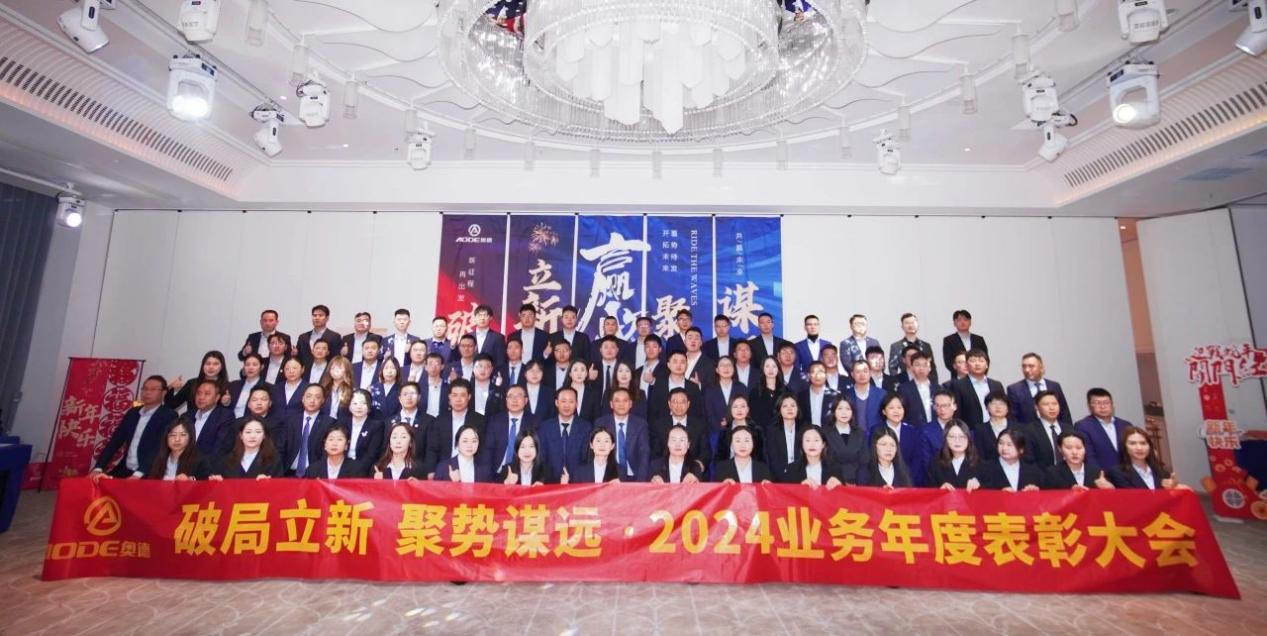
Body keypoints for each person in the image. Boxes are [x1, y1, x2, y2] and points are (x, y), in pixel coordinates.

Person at [91, 376, 178, 481]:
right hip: (125, 468)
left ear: (164, 393)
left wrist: (138, 474)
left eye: (153, 389)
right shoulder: (133, 413)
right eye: (145, 389)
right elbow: (115, 441)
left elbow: (159, 447)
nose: (148, 392)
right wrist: (98, 467)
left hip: (149, 472)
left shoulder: (169, 415)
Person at [422, 379, 487, 476]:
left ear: (469, 397)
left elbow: (483, 449)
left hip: (471, 468)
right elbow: (432, 449)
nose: (458, 399)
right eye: (455, 395)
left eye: (462, 395)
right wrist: (431, 471)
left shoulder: (479, 420)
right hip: (444, 469)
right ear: (449, 397)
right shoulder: (440, 420)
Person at [594, 387, 651, 481]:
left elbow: (644, 454)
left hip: (634, 476)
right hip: (609, 476)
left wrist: (641, 482)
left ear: (630, 404)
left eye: (625, 400)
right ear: (611, 404)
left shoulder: (640, 424)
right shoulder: (601, 423)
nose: (621, 404)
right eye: (617, 401)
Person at [537, 386, 592, 482]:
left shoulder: (586, 427)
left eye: (571, 401)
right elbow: (541, 457)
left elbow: (587, 458)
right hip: (550, 482)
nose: (567, 405)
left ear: (576, 404)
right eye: (563, 401)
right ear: (556, 403)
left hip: (578, 483)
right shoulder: (545, 427)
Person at [1073, 387, 1135, 473]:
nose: (1103, 407)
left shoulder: (1126, 425)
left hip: (1129, 474)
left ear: (1112, 405)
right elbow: (1089, 456)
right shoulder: (1083, 426)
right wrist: (1099, 475)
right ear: (1089, 406)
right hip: (1103, 476)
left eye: (1106, 402)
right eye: (1097, 403)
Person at [1108, 426, 1190, 490]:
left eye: (1143, 443)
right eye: (1132, 443)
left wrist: (1174, 489)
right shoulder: (1117, 473)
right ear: (1124, 447)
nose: (1139, 448)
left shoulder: (1162, 473)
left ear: (1150, 446)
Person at [875, 393, 927, 486]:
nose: (896, 411)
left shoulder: (913, 432)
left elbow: (917, 459)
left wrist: (907, 480)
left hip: (908, 482)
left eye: (899, 408)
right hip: (881, 483)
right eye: (891, 408)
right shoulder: (875, 431)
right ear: (884, 411)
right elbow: (872, 458)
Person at [650, 387, 710, 468]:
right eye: (675, 402)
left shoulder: (699, 425)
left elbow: (705, 452)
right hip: (666, 469)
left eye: (683, 402)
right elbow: (655, 453)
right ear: (669, 404)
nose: (679, 405)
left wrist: (697, 466)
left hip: (693, 469)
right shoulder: (658, 425)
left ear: (688, 404)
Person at [1007, 353, 1073, 426]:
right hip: (1028, 430)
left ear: (1041, 367)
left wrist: (1068, 430)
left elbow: (1064, 413)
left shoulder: (1054, 386)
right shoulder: (1015, 390)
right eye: (1024, 366)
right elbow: (1013, 419)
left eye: (1031, 366)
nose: (1027, 370)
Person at [483, 385, 537, 473]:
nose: (514, 400)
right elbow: (488, 449)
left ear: (526, 400)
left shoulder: (535, 422)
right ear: (506, 400)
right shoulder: (495, 421)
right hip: (498, 472)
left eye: (518, 396)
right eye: (510, 396)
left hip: (524, 472)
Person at [285, 384, 336, 477]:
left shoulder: (329, 423)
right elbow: (281, 448)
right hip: (288, 473)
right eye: (309, 396)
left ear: (323, 400)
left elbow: (327, 453)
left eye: (317, 397)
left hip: (315, 474)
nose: (312, 400)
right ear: (303, 399)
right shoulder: (290, 420)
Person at [211, 417, 284, 479]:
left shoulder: (273, 459)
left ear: (264, 435)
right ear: (241, 435)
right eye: (248, 432)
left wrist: (269, 483)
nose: (252, 436)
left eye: (258, 432)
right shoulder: (228, 459)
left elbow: (279, 486)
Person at [951, 349, 1004, 429]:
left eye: (981, 361)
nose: (977, 364)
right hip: (971, 430)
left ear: (987, 365)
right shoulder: (958, 385)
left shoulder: (996, 385)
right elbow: (957, 413)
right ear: (966, 365)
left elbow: (1004, 407)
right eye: (973, 361)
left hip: (996, 428)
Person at [975, 429, 1044, 491]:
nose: (1004, 448)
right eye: (1001, 443)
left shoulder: (1033, 471)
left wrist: (1034, 491)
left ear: (1021, 449)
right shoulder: (985, 469)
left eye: (1009, 445)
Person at [144, 419, 212, 480]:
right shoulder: (156, 458)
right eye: (173, 435)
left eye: (183, 435)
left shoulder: (200, 461)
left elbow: (205, 483)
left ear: (191, 437)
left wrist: (189, 481)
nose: (177, 439)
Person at [183, 379, 235, 458]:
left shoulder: (225, 416)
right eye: (198, 393)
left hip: (208, 463)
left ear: (217, 397)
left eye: (207, 394)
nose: (201, 397)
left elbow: (220, 449)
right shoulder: (186, 416)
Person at [647, 351, 704, 423]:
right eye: (675, 362)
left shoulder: (693, 387)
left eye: (682, 362)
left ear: (687, 365)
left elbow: (697, 413)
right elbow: (653, 411)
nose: (679, 365)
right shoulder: (659, 384)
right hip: (662, 426)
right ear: (668, 365)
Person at [1045, 431, 1114, 490]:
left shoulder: (1097, 473)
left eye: (1079, 448)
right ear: (1060, 449)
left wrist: (1110, 488)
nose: (1074, 452)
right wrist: (1069, 491)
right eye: (1069, 448)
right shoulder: (1052, 473)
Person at [165, 351, 229, 414]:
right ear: (203, 365)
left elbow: (229, 412)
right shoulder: (192, 383)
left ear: (222, 367)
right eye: (208, 363)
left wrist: (227, 403)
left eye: (215, 364)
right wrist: (171, 387)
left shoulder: (227, 386)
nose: (211, 367)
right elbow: (171, 405)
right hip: (191, 419)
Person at [1023, 390, 1074, 468]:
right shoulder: (1029, 431)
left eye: (1055, 404)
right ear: (1036, 407)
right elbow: (1029, 461)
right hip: (1043, 474)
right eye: (1046, 404)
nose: (1052, 408)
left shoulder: (1069, 428)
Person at [823, 398, 868, 484]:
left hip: (856, 483)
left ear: (852, 412)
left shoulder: (860, 433)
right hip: (832, 482)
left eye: (848, 409)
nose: (844, 413)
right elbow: (825, 461)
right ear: (834, 411)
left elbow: (864, 460)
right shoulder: (825, 433)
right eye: (840, 409)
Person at [927, 421, 980, 490]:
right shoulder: (935, 465)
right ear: (945, 439)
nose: (957, 440)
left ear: (968, 439)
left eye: (962, 436)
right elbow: (929, 491)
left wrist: (979, 485)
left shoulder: (981, 465)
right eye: (952, 437)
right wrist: (940, 490)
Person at [887, 312, 937, 385]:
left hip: (924, 382)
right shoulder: (896, 346)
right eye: (907, 323)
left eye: (913, 322)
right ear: (902, 327)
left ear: (917, 325)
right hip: (905, 383)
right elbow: (892, 368)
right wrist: (897, 383)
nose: (910, 325)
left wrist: (933, 384)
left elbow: (932, 368)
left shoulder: (926, 346)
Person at [715, 394, 766, 464]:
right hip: (729, 469)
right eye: (735, 407)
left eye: (743, 406)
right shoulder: (724, 432)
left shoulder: (757, 431)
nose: (739, 410)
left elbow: (762, 458)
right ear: (730, 410)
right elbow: (718, 459)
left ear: (747, 409)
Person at [765, 393, 804, 483]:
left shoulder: (804, 429)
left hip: (802, 477)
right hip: (778, 478)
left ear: (798, 409)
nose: (789, 409)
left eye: (793, 406)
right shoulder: (772, 430)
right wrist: (784, 477)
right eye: (785, 406)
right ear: (779, 409)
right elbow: (773, 459)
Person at [340, 389, 385, 465]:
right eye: (355, 403)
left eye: (363, 403)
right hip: (341, 464)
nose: (359, 407)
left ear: (369, 406)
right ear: (349, 406)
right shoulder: (342, 423)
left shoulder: (376, 426)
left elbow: (371, 454)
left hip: (364, 467)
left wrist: (357, 468)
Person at [704, 356, 746, 431]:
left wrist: (731, 423)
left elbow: (745, 410)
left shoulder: (741, 388)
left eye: (729, 365)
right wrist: (719, 426)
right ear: (717, 370)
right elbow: (708, 413)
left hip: (738, 429)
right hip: (715, 431)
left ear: (734, 369)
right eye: (722, 365)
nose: (726, 368)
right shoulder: (709, 390)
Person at [941, 309, 988, 377]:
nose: (962, 322)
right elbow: (948, 361)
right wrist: (961, 371)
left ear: (970, 322)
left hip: (977, 375)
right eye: (959, 320)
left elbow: (985, 358)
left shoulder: (979, 339)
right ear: (954, 323)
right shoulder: (949, 340)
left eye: (966, 320)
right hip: (958, 377)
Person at [974, 391, 1017, 462]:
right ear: (987, 407)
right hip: (989, 467)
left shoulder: (1018, 428)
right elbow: (979, 455)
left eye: (1002, 404)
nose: (998, 407)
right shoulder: (980, 430)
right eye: (994, 403)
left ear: (1007, 409)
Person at [896, 351, 936, 428]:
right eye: (917, 365)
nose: (921, 368)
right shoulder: (903, 389)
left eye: (925, 365)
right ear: (911, 367)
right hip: (913, 430)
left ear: (930, 368)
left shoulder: (938, 389)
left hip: (935, 430)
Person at [919, 390, 962, 459]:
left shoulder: (962, 428)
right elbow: (925, 460)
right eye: (938, 406)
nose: (942, 409)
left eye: (945, 405)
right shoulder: (926, 431)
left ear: (955, 406)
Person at [226, 354, 270, 418]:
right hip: (230, 421)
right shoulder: (233, 385)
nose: (250, 368)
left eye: (254, 365)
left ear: (262, 367)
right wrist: (226, 403)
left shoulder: (268, 387)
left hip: (252, 421)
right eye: (247, 365)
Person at [844, 360, 883, 433]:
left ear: (870, 373)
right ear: (852, 374)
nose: (862, 375)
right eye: (858, 372)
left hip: (876, 436)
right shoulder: (846, 395)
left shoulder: (881, 394)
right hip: (852, 436)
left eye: (865, 371)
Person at [796, 361, 839, 427]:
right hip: (807, 432)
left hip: (829, 432)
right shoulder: (800, 396)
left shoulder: (835, 396)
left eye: (820, 372)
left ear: (826, 375)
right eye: (813, 372)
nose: (817, 375)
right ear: (809, 375)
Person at [748, 356, 785, 426]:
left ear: (778, 369)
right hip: (761, 430)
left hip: (781, 429)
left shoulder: (786, 391)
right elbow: (754, 416)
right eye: (767, 366)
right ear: (763, 369)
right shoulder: (755, 392)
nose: (771, 369)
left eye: (774, 366)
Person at [470, 304, 508, 368]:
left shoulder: (498, 338)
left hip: (491, 373)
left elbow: (501, 361)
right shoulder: (468, 337)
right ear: (475, 318)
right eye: (479, 315)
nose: (482, 318)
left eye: (485, 315)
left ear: (491, 318)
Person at [420, 352, 449, 418]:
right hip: (423, 420)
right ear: (425, 367)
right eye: (430, 364)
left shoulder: (448, 387)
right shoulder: (419, 387)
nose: (433, 367)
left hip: (442, 420)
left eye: (437, 364)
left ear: (442, 367)